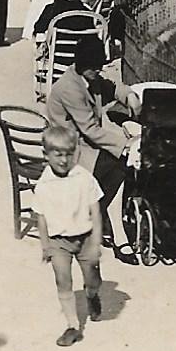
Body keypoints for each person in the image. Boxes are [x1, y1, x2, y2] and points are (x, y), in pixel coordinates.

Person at [45, 44, 137, 263]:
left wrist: (130, 95)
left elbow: (112, 87)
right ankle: (112, 228)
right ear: (81, 66)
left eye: (99, 67)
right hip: (67, 149)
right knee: (121, 163)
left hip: (83, 143)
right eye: (94, 68)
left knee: (119, 163)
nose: (98, 71)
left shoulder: (89, 78)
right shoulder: (70, 88)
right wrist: (126, 144)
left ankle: (103, 219)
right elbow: (90, 130)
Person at [32, 124, 108, 347]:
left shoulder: (84, 178)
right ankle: (72, 326)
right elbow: (41, 216)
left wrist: (96, 240)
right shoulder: (44, 184)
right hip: (59, 242)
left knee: (93, 280)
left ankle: (92, 295)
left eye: (68, 154)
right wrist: (45, 245)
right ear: (46, 155)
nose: (63, 160)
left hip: (84, 238)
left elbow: (95, 210)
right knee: (62, 280)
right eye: (57, 155)